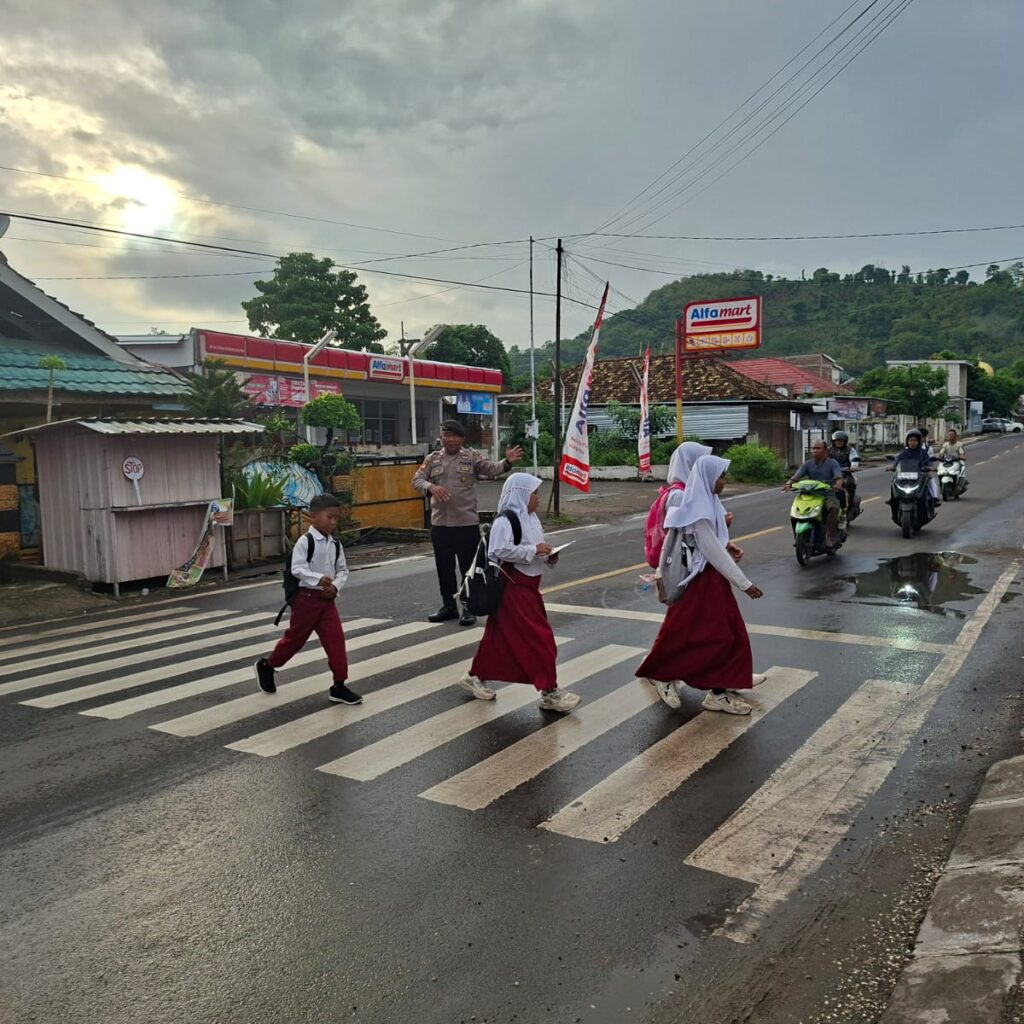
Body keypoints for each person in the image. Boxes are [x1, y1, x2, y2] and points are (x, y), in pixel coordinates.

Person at [637, 455, 765, 715]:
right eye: (721, 476)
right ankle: (668, 675)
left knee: (728, 631)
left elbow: (716, 543)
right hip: (699, 580)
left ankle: (726, 682)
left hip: (711, 577)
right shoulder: (695, 506)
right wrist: (744, 583)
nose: (724, 482)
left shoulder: (708, 501)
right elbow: (709, 548)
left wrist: (728, 546)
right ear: (707, 477)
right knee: (699, 634)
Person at [458, 473, 581, 714]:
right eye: (534, 493)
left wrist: (548, 554)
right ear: (521, 494)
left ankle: (475, 675)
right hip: (513, 589)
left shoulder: (532, 518)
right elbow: (500, 550)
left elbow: (535, 549)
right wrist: (533, 550)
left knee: (499, 639)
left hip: (529, 588)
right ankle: (550, 692)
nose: (537, 498)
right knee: (541, 641)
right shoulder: (506, 520)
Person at [413, 419, 523, 627]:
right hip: (440, 525)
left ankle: (468, 608)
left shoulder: (471, 457)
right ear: (441, 437)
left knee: (468, 570)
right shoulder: (432, 459)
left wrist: (507, 462)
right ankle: (448, 606)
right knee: (443, 569)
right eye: (447, 435)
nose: (451, 439)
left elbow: (492, 469)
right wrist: (430, 487)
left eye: (455, 436)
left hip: (465, 524)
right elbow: (416, 479)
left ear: (462, 439)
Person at [254, 494, 361, 705]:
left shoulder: (335, 544)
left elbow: (343, 570)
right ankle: (268, 665)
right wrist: (319, 580)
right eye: (329, 517)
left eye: (336, 518)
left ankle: (339, 685)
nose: (333, 522)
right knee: (295, 640)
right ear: (313, 517)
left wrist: (335, 587)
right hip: (306, 600)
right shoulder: (306, 541)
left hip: (327, 602)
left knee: (336, 642)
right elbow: (297, 568)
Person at [783, 440, 844, 549]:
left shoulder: (832, 463)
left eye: (818, 448)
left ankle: (830, 536)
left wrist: (838, 484)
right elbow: (796, 477)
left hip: (827, 493)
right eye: (813, 448)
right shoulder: (807, 464)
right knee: (794, 512)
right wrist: (789, 484)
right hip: (809, 493)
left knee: (833, 508)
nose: (815, 451)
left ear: (825, 450)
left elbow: (838, 477)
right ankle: (797, 537)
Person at [827, 430, 860, 513]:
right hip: (831, 474)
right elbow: (823, 458)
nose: (839, 442)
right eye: (837, 441)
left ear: (845, 441)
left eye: (841, 441)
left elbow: (854, 458)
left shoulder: (850, 450)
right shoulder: (829, 450)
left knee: (851, 484)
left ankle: (850, 506)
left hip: (845, 473)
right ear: (833, 441)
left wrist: (854, 466)